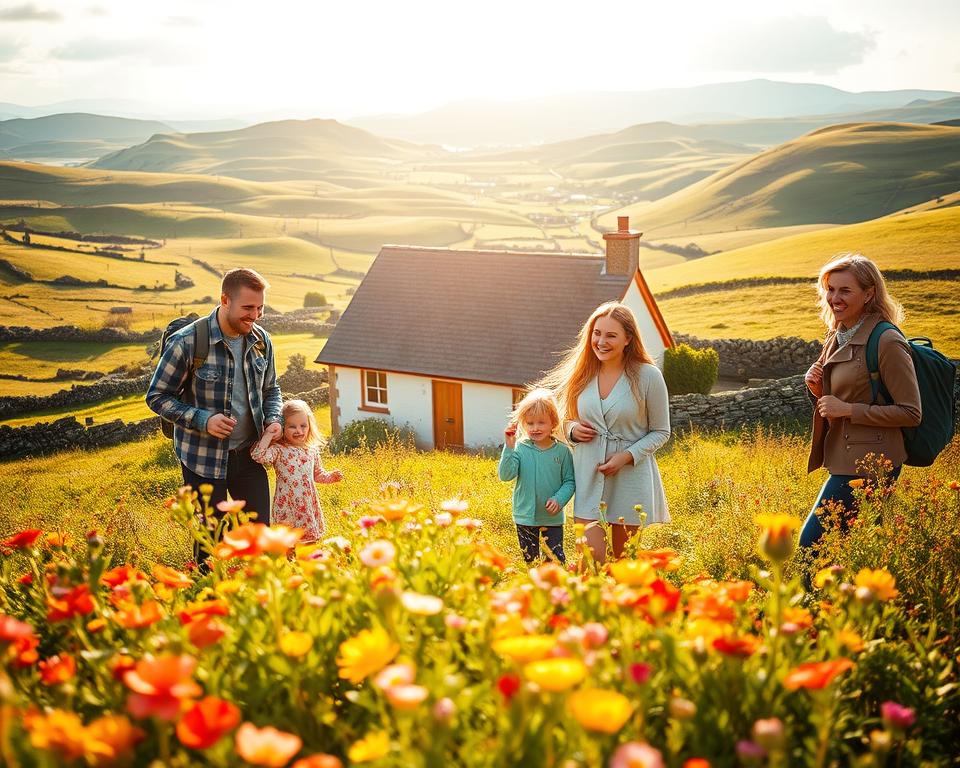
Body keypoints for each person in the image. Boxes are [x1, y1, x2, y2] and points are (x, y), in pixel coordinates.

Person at [146, 268, 283, 564]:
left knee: (261, 539)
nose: (256, 315)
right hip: (202, 460)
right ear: (225, 300)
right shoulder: (187, 343)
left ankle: (260, 601)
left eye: (260, 308)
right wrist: (202, 419)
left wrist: (273, 420)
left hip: (250, 456)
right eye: (248, 308)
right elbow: (156, 397)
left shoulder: (261, 341)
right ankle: (210, 603)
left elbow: (272, 389)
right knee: (211, 545)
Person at [800, 253, 921, 549]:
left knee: (811, 546)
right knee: (862, 549)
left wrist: (847, 410)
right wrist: (817, 387)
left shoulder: (886, 340)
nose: (834, 298)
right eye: (830, 289)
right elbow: (840, 397)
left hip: (872, 463)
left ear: (869, 294)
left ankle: (811, 596)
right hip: (844, 456)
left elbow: (911, 412)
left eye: (845, 290)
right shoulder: (837, 334)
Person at [541, 301, 670, 564]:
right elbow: (562, 422)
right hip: (588, 476)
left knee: (624, 566)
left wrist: (626, 456)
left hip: (630, 477)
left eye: (611, 335)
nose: (601, 341)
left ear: (628, 339)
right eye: (597, 333)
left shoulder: (648, 376)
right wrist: (573, 430)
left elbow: (661, 431)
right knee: (590, 565)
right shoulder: (582, 374)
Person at [498, 389, 575, 564]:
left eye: (541, 422)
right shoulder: (519, 448)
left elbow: (569, 481)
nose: (535, 428)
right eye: (530, 423)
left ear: (553, 422)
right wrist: (508, 447)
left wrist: (559, 499)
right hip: (525, 516)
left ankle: (552, 590)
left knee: (554, 561)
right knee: (531, 562)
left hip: (552, 518)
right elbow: (505, 475)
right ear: (523, 424)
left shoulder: (562, 452)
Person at [251, 399, 343, 543]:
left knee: (309, 543)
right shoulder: (279, 450)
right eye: (292, 426)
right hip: (286, 505)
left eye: (303, 426)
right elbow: (258, 455)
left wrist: (331, 477)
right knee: (287, 543)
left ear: (309, 426)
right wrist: (269, 433)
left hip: (307, 506)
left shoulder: (311, 451)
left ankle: (307, 563)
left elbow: (317, 474)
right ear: (283, 428)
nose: (299, 431)